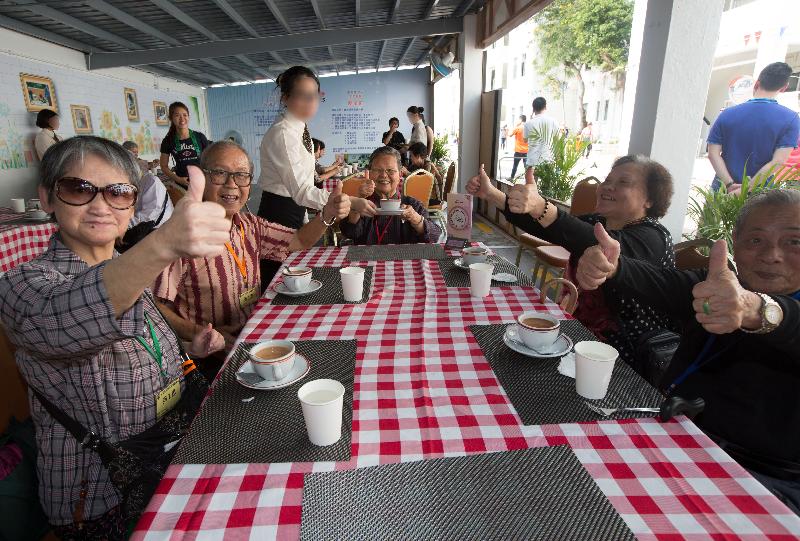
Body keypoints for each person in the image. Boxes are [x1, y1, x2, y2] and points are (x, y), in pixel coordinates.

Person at [0, 136, 231, 538]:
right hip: (101, 493)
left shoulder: (126, 267)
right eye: (78, 188)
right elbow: (68, 318)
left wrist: (186, 351)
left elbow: (137, 343)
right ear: (47, 198)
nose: (101, 204)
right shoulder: (22, 287)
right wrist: (164, 244)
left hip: (167, 456)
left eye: (119, 192)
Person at [574, 189, 800, 515]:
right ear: (735, 241)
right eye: (756, 241)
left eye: (793, 242)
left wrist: (756, 311)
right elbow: (659, 281)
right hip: (674, 433)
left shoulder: (742, 299)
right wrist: (613, 268)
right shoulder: (714, 288)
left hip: (765, 479)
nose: (772, 255)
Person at [153, 141, 350, 379]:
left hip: (254, 338)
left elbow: (297, 241)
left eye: (241, 176)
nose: (231, 184)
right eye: (220, 173)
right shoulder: (180, 235)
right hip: (210, 359)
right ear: (202, 177)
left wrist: (327, 214)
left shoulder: (249, 224)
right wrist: (199, 333)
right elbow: (156, 306)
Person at [467, 155, 676, 372]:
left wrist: (541, 207)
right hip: (578, 337)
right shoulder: (598, 222)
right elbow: (550, 228)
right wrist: (492, 195)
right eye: (607, 180)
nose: (608, 187)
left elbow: (601, 245)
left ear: (649, 200)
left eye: (623, 182)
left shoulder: (654, 238)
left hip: (625, 359)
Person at [257, 66, 375, 288]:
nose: (310, 103)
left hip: (294, 209)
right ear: (285, 98)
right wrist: (351, 202)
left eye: (314, 96)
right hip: (278, 212)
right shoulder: (283, 133)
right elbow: (302, 191)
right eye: (302, 96)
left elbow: (307, 176)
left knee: (296, 278)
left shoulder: (301, 128)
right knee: (278, 282)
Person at [707, 62, 800, 192]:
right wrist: (746, 189)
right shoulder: (792, 119)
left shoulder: (726, 114)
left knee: (715, 214)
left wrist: (729, 185)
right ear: (784, 88)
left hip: (722, 188)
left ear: (756, 83)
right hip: (759, 193)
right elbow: (778, 161)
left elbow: (712, 154)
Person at [340, 146, 441, 245]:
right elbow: (350, 234)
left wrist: (414, 218)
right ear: (370, 173)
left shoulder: (412, 205)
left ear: (400, 174)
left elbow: (434, 236)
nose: (384, 175)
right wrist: (356, 207)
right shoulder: (362, 204)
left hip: (404, 259)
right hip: (367, 260)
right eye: (378, 170)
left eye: (390, 170)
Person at [159, 101, 211, 189]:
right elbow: (164, 166)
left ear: (188, 117)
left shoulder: (200, 137)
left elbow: (211, 160)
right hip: (183, 186)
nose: (182, 119)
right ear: (171, 118)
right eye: (177, 115)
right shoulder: (168, 141)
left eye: (185, 115)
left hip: (203, 183)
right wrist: (178, 179)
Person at [523, 97, 559, 183]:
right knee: (547, 188)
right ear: (545, 107)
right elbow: (557, 141)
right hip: (548, 159)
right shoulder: (553, 121)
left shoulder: (528, 123)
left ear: (533, 108)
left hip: (532, 160)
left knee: (531, 187)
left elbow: (525, 140)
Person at [508, 115, 528, 180]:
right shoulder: (529, 128)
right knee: (526, 167)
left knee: (515, 165)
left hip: (518, 151)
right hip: (526, 151)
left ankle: (511, 178)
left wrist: (516, 126)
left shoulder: (518, 128)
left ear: (521, 120)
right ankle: (528, 180)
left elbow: (510, 134)